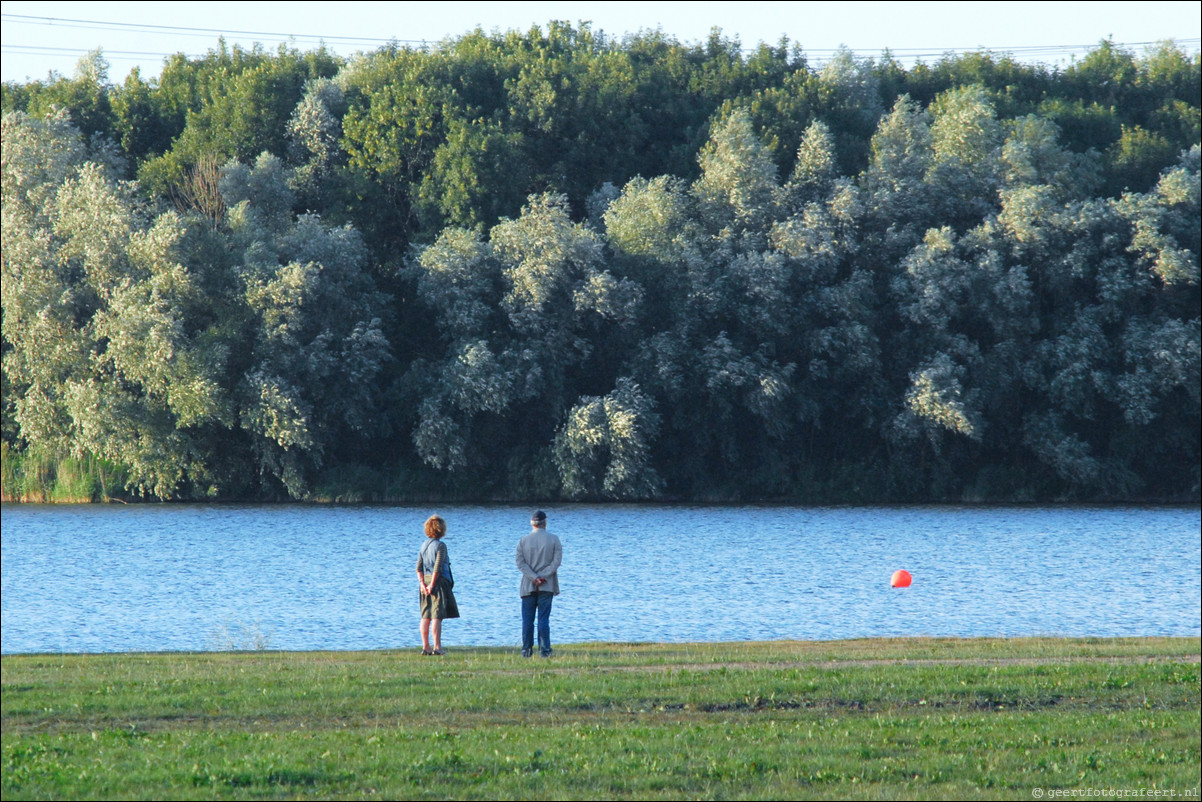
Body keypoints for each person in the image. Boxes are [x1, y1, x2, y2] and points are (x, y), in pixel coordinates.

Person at [515, 510, 562, 658]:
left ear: (532, 523)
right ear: (545, 522)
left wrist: (533, 577)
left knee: (527, 620)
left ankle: (526, 650)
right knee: (543, 619)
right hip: (547, 585)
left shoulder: (523, 541)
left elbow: (520, 563)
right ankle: (545, 650)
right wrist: (542, 576)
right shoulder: (554, 540)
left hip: (528, 586)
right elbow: (556, 562)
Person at [416, 514, 458, 655]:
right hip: (437, 582)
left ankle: (425, 647)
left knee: (425, 615)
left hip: (425, 582)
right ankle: (437, 647)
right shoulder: (441, 546)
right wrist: (432, 585)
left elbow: (418, 568)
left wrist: (422, 584)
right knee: (436, 616)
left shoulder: (423, 545)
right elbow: (438, 567)